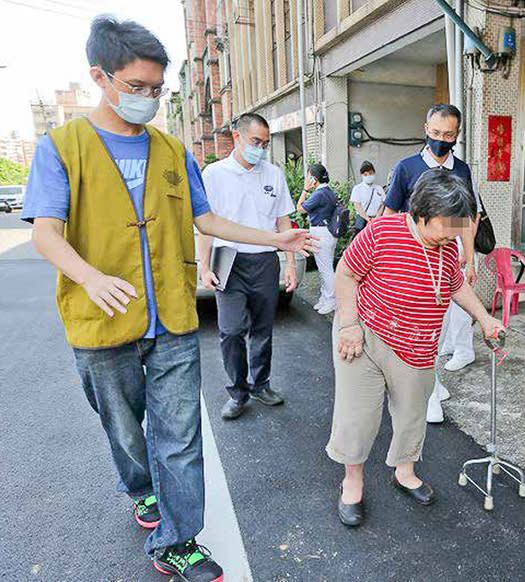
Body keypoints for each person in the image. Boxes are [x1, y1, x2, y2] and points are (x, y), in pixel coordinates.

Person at [22, 17, 315, 582]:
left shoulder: (172, 150)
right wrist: (88, 276)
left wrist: (276, 238)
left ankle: (178, 542)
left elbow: (205, 218)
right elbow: (45, 232)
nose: (148, 99)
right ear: (100, 77)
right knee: (126, 430)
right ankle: (139, 488)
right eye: (136, 87)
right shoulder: (62, 147)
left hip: (174, 320)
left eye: (157, 89)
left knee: (179, 436)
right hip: (101, 320)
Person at [328, 170, 504, 527]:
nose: (451, 234)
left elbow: (456, 286)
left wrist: (485, 319)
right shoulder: (381, 233)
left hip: (419, 345)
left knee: (412, 412)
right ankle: (353, 481)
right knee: (358, 415)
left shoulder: (445, 242)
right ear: (420, 213)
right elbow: (346, 273)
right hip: (367, 335)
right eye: (445, 226)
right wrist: (348, 324)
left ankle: (404, 472)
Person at [384, 104, 482, 423]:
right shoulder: (407, 167)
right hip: (412, 259)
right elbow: (389, 218)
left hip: (447, 257)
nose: (441, 140)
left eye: (448, 135)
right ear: (426, 128)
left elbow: (466, 217)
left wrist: (467, 256)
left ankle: (430, 384)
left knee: (437, 330)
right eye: (436, 133)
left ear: (457, 135)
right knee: (421, 330)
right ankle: (426, 392)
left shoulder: (461, 170)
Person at [199, 113, 298, 420]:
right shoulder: (214, 174)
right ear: (237, 136)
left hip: (265, 260)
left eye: (265, 143)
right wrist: (205, 266)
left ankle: (261, 385)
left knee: (262, 329)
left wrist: (290, 264)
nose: (260, 148)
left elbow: (284, 221)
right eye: (256, 141)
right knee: (230, 331)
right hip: (227, 259)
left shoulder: (273, 174)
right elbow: (205, 226)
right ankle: (238, 391)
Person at [298, 163, 339, 315]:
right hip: (327, 233)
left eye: (309, 176)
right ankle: (325, 297)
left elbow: (300, 208)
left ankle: (331, 300)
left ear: (314, 179)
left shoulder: (318, 194)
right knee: (325, 267)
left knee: (325, 268)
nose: (307, 179)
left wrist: (304, 190)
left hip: (321, 233)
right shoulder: (329, 192)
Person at [350, 160, 385, 234]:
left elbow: (383, 204)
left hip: (376, 220)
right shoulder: (357, 188)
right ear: (362, 175)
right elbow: (357, 206)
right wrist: (368, 219)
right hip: (362, 220)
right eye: (365, 174)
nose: (368, 176)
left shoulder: (379, 188)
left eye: (370, 173)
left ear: (374, 173)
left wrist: (377, 217)